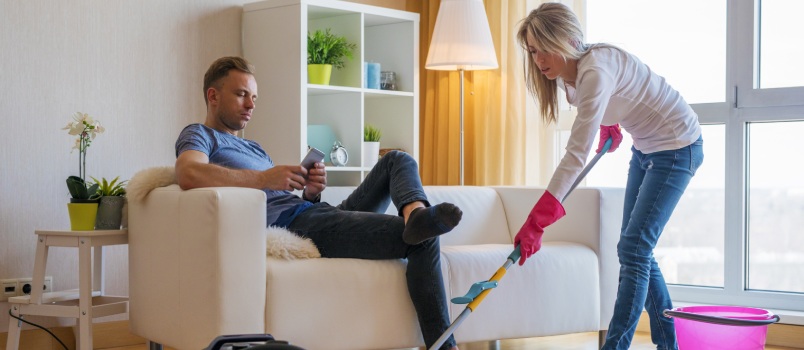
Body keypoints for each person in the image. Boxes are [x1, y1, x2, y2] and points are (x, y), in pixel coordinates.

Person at [174, 56, 462, 350]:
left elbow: (280, 197)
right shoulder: (200, 134)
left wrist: (311, 191)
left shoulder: (253, 146)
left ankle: (416, 213)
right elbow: (188, 173)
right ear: (213, 95)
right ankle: (444, 346)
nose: (251, 105)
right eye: (241, 94)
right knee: (424, 239)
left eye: (254, 97)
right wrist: (265, 178)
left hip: (314, 212)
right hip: (299, 224)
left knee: (396, 159)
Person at [513, 3, 703, 350]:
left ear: (567, 39)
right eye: (533, 50)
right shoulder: (570, 75)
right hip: (646, 149)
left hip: (678, 146)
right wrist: (609, 123)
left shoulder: (595, 69)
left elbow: (575, 154)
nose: (539, 59)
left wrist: (537, 221)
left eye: (544, 47)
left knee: (633, 248)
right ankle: (669, 346)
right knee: (637, 250)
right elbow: (618, 96)